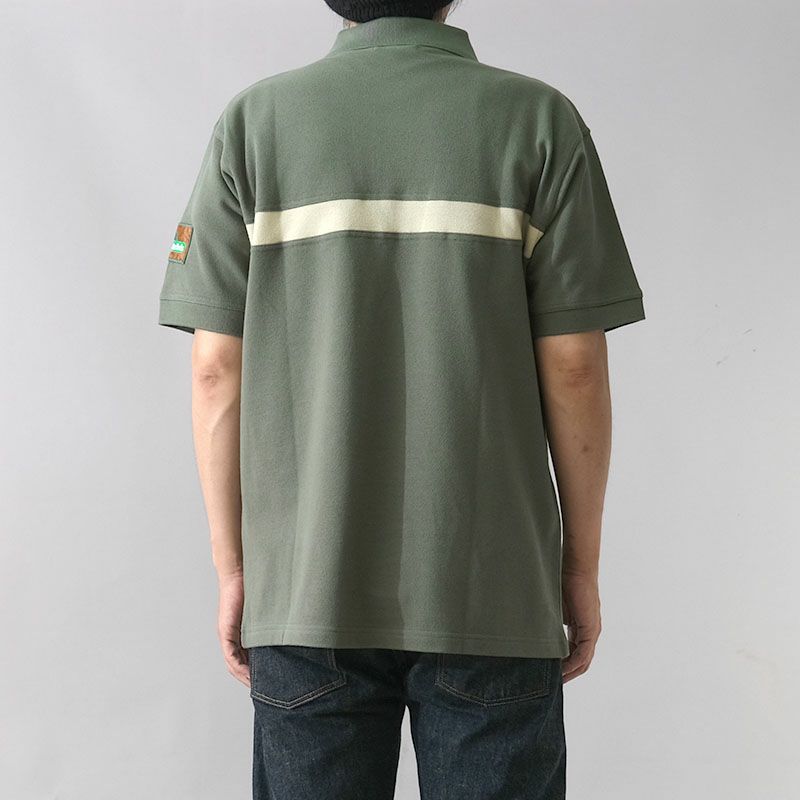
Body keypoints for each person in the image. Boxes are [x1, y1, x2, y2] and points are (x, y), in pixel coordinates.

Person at [157, 1, 646, 797]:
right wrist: (577, 568)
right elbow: (576, 368)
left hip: (306, 592)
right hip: (494, 589)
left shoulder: (254, 125)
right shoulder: (537, 121)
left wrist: (235, 567)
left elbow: (215, 368)